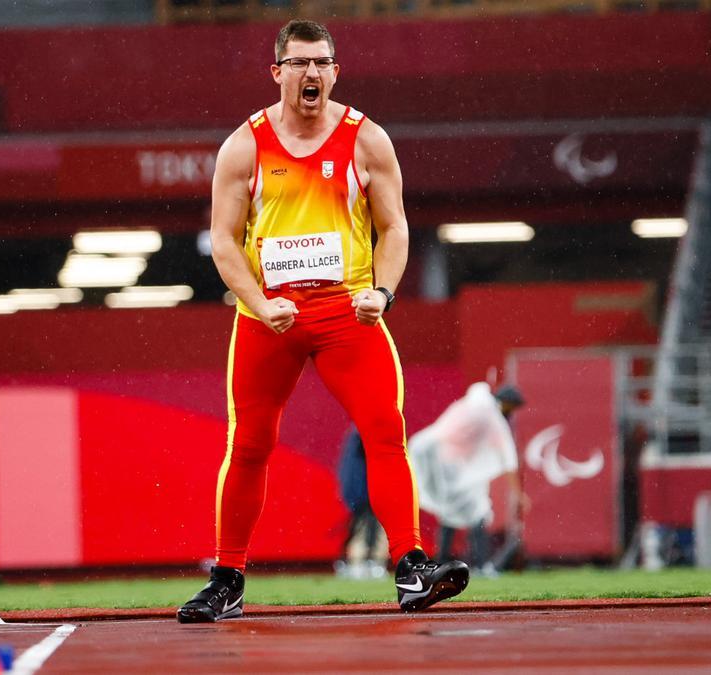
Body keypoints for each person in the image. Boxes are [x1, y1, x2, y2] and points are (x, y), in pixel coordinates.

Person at [177, 20, 468, 623]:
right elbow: (224, 244)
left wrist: (382, 294)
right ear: (277, 71)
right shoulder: (245, 145)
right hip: (269, 315)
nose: (311, 74)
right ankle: (227, 576)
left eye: (322, 63)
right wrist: (260, 305)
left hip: (347, 311)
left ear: (336, 71)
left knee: (385, 431)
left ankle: (412, 566)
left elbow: (395, 229)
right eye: (299, 63)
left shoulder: (367, 140)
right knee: (251, 444)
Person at [408, 383, 526, 576]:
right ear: (506, 402)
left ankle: (443, 562)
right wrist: (518, 494)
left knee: (454, 515)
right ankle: (480, 564)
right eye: (512, 407)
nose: (511, 413)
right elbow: (508, 458)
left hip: (448, 465)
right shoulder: (490, 416)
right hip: (452, 468)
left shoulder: (474, 407)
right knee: (476, 514)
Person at [335, 426, 387, 579]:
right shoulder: (363, 432)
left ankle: (353, 561)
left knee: (360, 525)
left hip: (361, 488)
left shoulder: (357, 433)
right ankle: (367, 562)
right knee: (365, 525)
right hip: (364, 488)